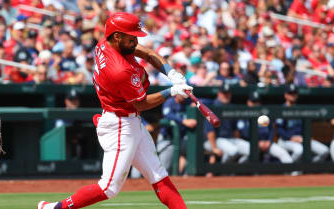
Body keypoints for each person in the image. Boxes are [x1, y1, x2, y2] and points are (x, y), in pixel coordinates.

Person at [38, 12, 192, 209]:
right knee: (109, 188)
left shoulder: (106, 42)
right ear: (117, 36)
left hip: (130, 121)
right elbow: (142, 104)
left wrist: (171, 72)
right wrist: (171, 91)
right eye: (131, 37)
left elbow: (149, 54)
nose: (135, 41)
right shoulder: (119, 70)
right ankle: (56, 208)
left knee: (158, 175)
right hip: (120, 126)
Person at [276, 84, 329, 163]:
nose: (293, 95)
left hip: (302, 139)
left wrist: (307, 136)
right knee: (299, 150)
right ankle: (289, 169)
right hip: (285, 140)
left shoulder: (300, 109)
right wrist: (291, 138)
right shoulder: (281, 109)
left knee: (324, 151)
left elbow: (305, 127)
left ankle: (309, 168)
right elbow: (279, 130)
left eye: (294, 93)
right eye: (290, 93)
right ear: (286, 95)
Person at [236, 91, 293, 164]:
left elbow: (271, 130)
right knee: (245, 158)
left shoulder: (264, 115)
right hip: (250, 144)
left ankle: (293, 172)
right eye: (253, 102)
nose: (256, 104)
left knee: (282, 153)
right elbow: (244, 134)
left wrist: (269, 141)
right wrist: (256, 142)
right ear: (248, 102)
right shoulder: (243, 116)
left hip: (267, 143)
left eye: (257, 102)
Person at [203, 84, 250, 166]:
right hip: (215, 140)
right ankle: (221, 171)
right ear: (219, 94)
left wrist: (237, 141)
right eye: (224, 93)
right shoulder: (213, 107)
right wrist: (214, 148)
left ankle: (236, 170)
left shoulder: (231, 107)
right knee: (234, 151)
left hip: (230, 139)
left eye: (228, 93)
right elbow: (210, 131)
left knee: (251, 150)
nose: (226, 95)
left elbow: (235, 130)